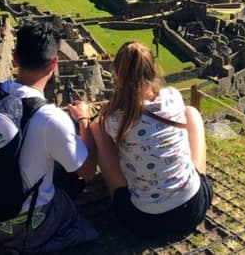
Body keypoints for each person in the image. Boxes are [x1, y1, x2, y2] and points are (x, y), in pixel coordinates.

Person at [0, 21, 98, 253]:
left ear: (15, 58)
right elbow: (87, 171)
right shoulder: (51, 118)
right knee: (69, 196)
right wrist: (83, 121)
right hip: (17, 229)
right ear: (54, 63)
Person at [91, 42, 212, 238]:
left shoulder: (114, 119)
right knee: (191, 113)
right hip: (194, 207)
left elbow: (114, 147)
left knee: (97, 128)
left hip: (144, 221)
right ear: (154, 70)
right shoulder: (173, 96)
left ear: (116, 75)